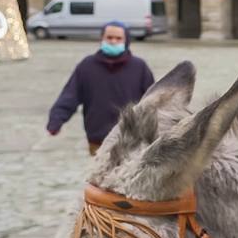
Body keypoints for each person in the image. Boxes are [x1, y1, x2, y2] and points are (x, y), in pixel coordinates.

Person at [47, 21, 156, 155]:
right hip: (98, 139)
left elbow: (152, 100)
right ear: (102, 39)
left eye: (118, 38)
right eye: (109, 37)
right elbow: (70, 95)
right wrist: (56, 120)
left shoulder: (139, 67)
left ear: (126, 41)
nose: (113, 41)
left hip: (131, 139)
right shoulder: (87, 66)